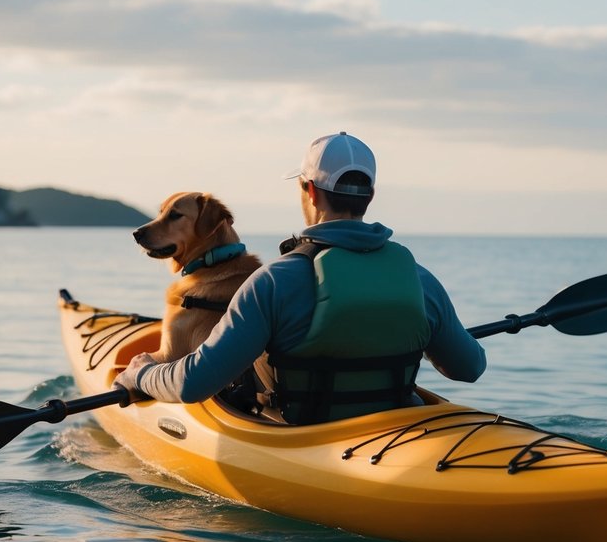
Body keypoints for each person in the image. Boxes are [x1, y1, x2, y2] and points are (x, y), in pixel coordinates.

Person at [113, 132, 486, 424]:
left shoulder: (273, 282)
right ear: (370, 195)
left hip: (299, 437)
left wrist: (142, 374)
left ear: (308, 190)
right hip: (394, 426)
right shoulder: (419, 278)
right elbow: (469, 368)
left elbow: (192, 383)